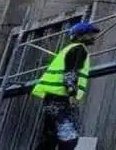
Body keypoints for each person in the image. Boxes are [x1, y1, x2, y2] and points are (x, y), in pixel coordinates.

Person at [31, 21, 100, 150]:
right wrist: (72, 96)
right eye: (90, 34)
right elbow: (70, 73)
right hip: (60, 99)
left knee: (51, 138)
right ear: (80, 36)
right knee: (69, 139)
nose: (93, 37)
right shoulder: (79, 49)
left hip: (52, 98)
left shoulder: (69, 49)